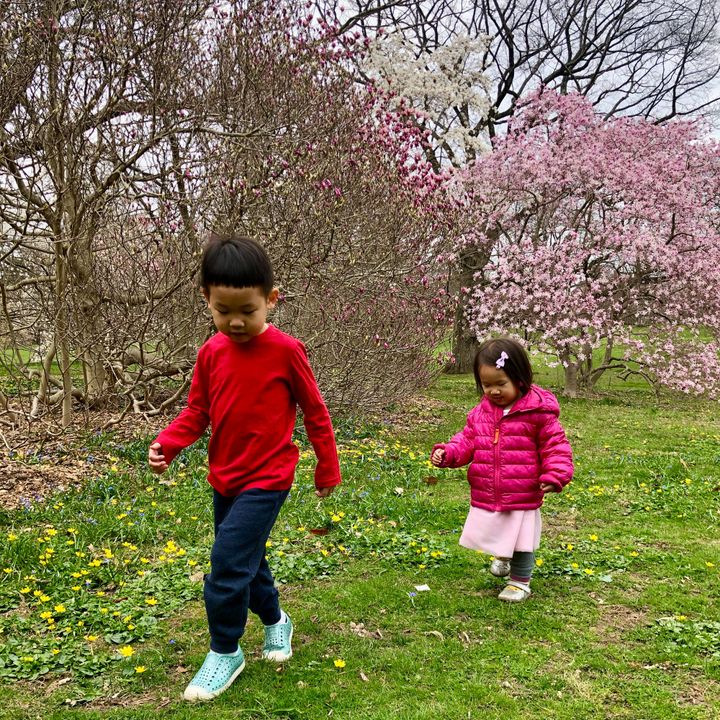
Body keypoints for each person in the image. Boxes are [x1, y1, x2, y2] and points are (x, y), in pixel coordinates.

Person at [148, 233, 341, 701]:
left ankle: (225, 650)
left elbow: (314, 411)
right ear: (206, 300)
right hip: (225, 478)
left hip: (269, 477)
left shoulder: (287, 351)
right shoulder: (210, 354)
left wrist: (326, 466)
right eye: (223, 311)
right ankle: (277, 621)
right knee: (248, 563)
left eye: (247, 312)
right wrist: (168, 444)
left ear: (271, 301)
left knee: (227, 563)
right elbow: (197, 411)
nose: (234, 322)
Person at [430, 337, 573, 602]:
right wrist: (449, 453)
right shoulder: (480, 413)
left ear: (519, 378)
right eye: (487, 385)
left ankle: (520, 581)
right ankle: (502, 555)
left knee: (521, 538)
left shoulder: (538, 413)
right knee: (496, 528)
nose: (493, 391)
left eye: (500, 384)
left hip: (523, 488)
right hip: (489, 486)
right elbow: (467, 440)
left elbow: (556, 446)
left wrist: (555, 474)